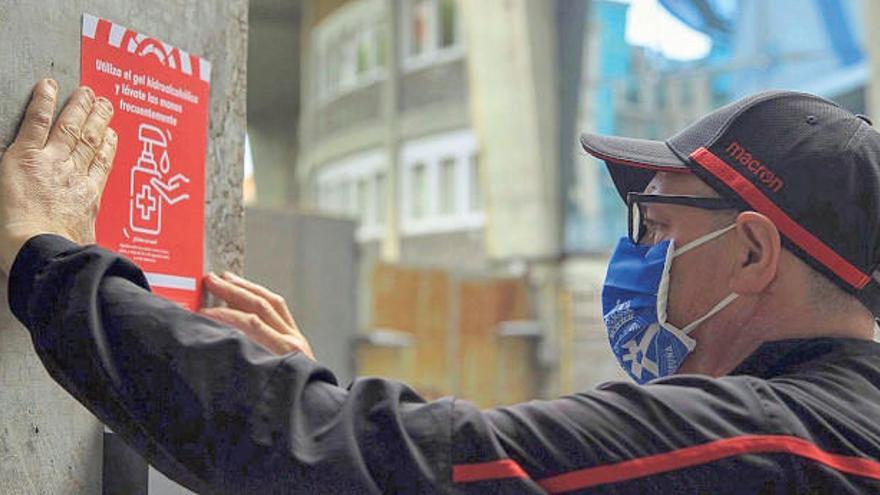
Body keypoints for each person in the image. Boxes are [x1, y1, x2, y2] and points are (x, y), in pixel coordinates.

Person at [3, 79, 880, 494]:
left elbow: (387, 468)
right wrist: (316, 396)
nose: (638, 258)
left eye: (656, 225)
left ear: (756, 251)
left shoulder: (763, 445)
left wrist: (46, 260)